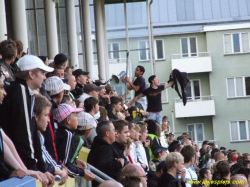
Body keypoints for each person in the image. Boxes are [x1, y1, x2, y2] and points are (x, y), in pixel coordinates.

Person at [0, 55, 53, 173]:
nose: (44, 77)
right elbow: (24, 134)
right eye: (43, 73)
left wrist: (41, 170)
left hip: (17, 164)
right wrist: (32, 169)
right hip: (13, 167)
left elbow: (33, 133)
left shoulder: (26, 92)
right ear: (31, 74)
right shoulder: (20, 91)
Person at [34, 94, 69, 185]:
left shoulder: (39, 135)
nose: (49, 120)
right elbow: (40, 160)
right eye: (46, 115)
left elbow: (45, 157)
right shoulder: (35, 136)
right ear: (36, 116)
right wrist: (58, 169)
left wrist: (58, 168)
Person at [54, 103, 95, 181]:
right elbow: (65, 165)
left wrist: (76, 160)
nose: (77, 119)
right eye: (75, 116)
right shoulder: (68, 134)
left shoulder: (60, 131)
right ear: (68, 120)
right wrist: (82, 173)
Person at [87, 121, 124, 187]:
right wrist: (119, 163)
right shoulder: (104, 149)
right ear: (107, 133)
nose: (115, 133)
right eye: (113, 130)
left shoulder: (99, 146)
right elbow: (105, 168)